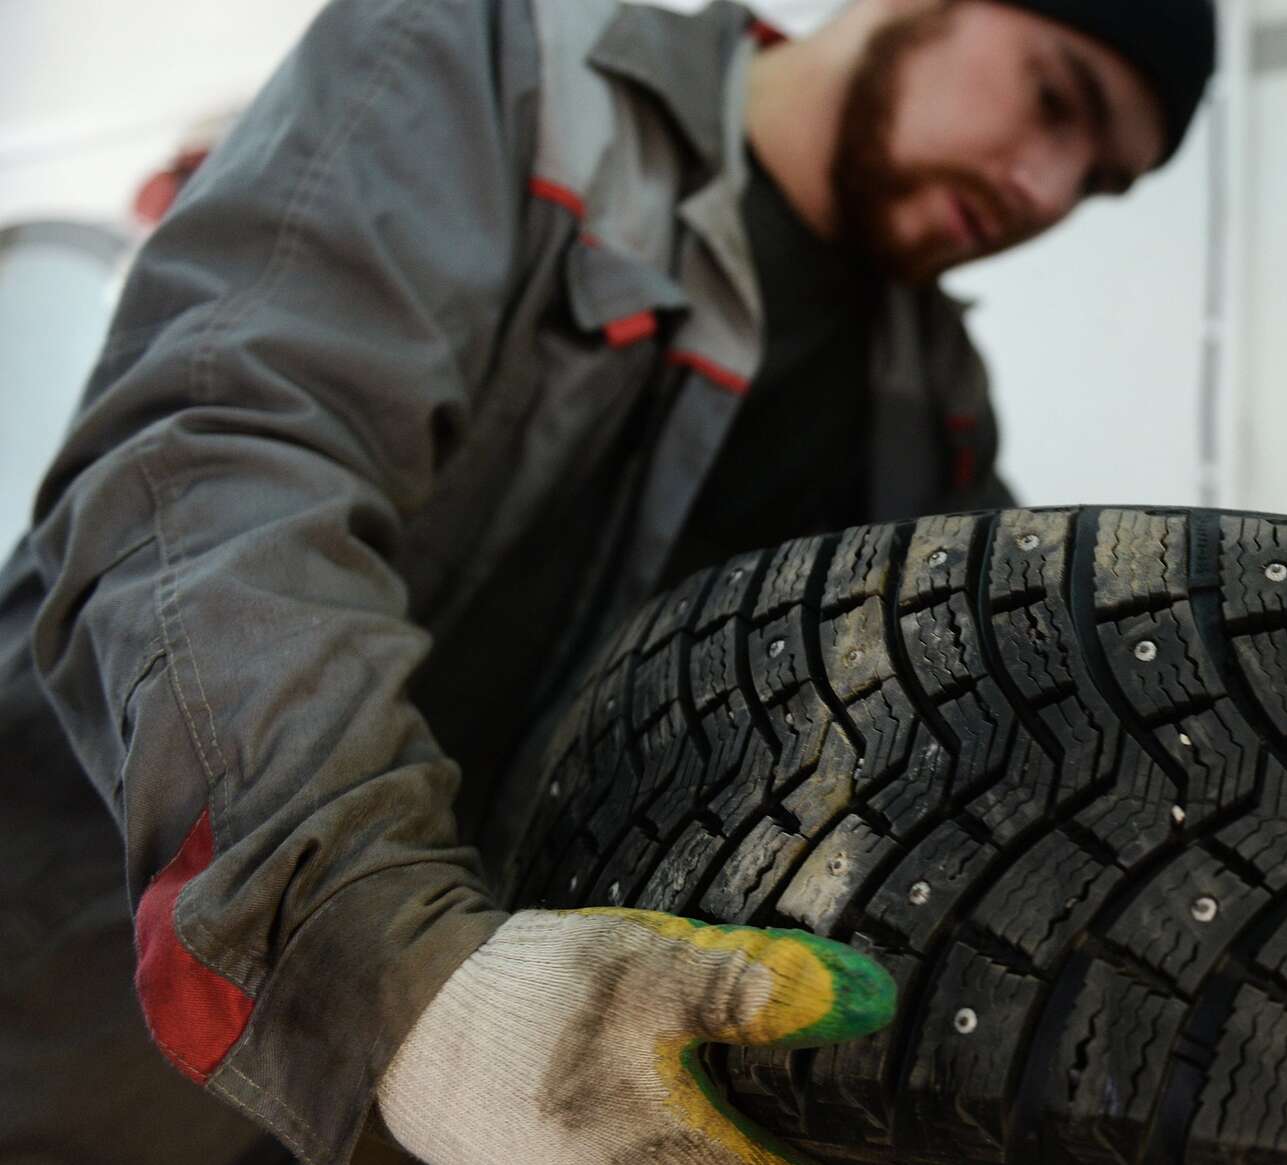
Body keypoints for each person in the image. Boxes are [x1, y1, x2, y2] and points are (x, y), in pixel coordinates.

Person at [0, 0, 1215, 1161]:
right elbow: (219, 465)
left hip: (456, 1112)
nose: (1043, 189)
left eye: (1099, 183)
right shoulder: (499, 72)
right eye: (1052, 101)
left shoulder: (934, 419)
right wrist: (394, 960)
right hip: (67, 1014)